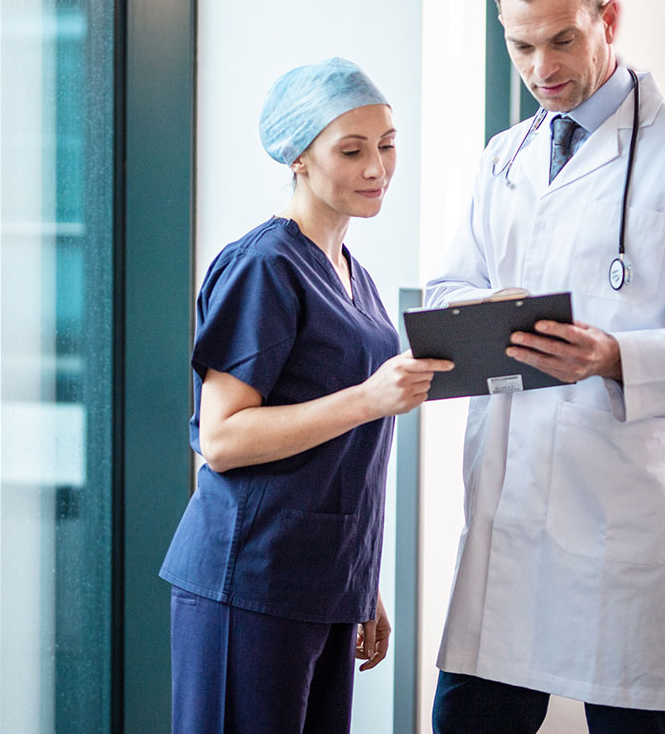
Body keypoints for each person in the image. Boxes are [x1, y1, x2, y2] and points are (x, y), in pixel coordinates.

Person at [426, 0, 665, 732]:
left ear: (607, 19)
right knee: (470, 718)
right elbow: (448, 289)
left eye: (562, 39)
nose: (541, 67)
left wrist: (617, 356)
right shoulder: (503, 159)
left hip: (622, 506)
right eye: (520, 45)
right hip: (510, 501)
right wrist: (490, 307)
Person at [160, 58, 454, 734]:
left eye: (387, 144)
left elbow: (344, 460)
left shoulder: (353, 272)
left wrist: (358, 581)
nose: (377, 167)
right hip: (250, 579)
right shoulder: (264, 266)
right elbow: (223, 439)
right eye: (351, 150)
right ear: (297, 157)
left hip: (321, 581)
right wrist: (370, 397)